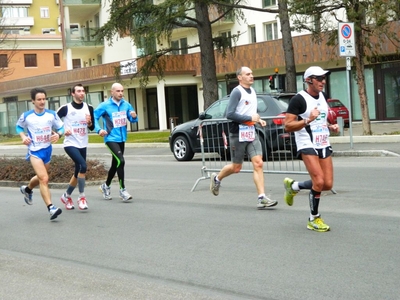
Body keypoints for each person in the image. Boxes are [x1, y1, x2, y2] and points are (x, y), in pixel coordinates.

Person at [209, 66, 278, 209]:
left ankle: (261, 198)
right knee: (236, 167)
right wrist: (249, 118)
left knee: (258, 163)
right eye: (248, 74)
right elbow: (230, 114)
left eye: (252, 73)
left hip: (251, 132)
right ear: (240, 77)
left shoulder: (252, 91)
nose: (251, 76)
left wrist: (258, 120)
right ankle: (217, 178)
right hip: (237, 133)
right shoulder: (236, 92)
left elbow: (251, 112)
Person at [283, 66, 340, 232]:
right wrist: (307, 120)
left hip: (322, 141)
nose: (323, 81)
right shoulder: (298, 100)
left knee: (327, 184)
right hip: (306, 142)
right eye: (319, 78)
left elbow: (321, 119)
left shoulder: (323, 96)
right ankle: (313, 218)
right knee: (319, 181)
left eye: (324, 78)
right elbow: (288, 125)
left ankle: (294, 187)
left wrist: (331, 126)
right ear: (309, 80)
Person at [16, 87, 65, 220]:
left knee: (40, 177)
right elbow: (19, 126)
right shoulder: (27, 116)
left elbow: (61, 127)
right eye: (39, 99)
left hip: (47, 150)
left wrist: (58, 134)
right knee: (44, 179)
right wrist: (23, 137)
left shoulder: (51, 114)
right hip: (34, 151)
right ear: (33, 101)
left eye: (44, 99)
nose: (42, 102)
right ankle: (51, 208)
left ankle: (27, 189)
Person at [94, 82, 138, 202]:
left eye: (122, 91)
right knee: (121, 161)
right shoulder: (105, 105)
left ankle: (105, 186)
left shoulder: (126, 104)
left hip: (122, 138)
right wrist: (99, 129)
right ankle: (122, 190)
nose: (120, 93)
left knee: (116, 164)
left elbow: (132, 119)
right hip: (110, 138)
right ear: (112, 92)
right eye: (118, 91)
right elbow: (94, 116)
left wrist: (134, 116)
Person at [57, 84, 95, 210]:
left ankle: (66, 195)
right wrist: (63, 130)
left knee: (77, 171)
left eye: (83, 91)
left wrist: (89, 123)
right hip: (70, 143)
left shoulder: (89, 108)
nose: (81, 93)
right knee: (83, 166)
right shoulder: (66, 108)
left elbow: (92, 127)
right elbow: (53, 120)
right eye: (78, 91)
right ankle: (82, 197)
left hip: (83, 143)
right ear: (73, 94)